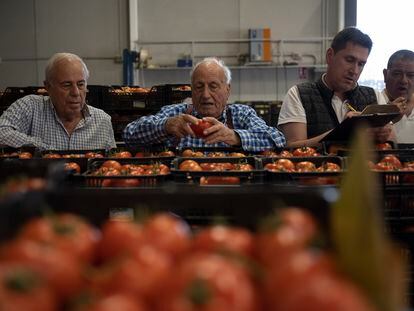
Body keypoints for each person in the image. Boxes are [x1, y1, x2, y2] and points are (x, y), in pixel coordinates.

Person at [123, 57, 286, 151]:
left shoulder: (241, 114)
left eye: (213, 86)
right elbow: (129, 135)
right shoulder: (175, 114)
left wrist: (234, 136)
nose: (206, 95)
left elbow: (277, 139)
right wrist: (164, 126)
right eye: (199, 87)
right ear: (192, 90)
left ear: (227, 90)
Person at [277, 27, 393, 147]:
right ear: (330, 56)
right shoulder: (298, 94)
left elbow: (392, 144)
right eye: (349, 60)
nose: (355, 70)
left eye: (361, 64)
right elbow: (293, 148)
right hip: (318, 166)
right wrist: (346, 131)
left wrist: (384, 135)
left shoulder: (375, 96)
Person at [0, 53, 116, 150]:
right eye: (67, 85)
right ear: (48, 87)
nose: (75, 92)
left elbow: (112, 164)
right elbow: (2, 132)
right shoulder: (30, 107)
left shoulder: (102, 121)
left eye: (81, 84)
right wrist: (45, 149)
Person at [381, 49, 414, 143]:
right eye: (397, 74)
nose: (404, 80)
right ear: (385, 75)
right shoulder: (371, 103)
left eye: (411, 75)